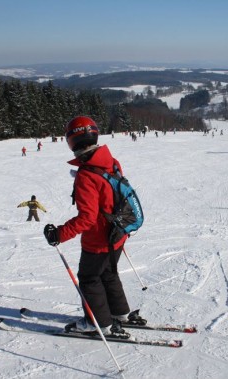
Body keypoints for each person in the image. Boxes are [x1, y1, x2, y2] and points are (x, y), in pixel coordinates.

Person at [43, 115, 143, 338]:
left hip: (98, 239)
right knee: (108, 274)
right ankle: (119, 314)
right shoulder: (110, 161)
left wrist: (59, 233)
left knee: (89, 278)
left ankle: (98, 323)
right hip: (117, 233)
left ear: (72, 141)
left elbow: (87, 218)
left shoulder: (87, 175)